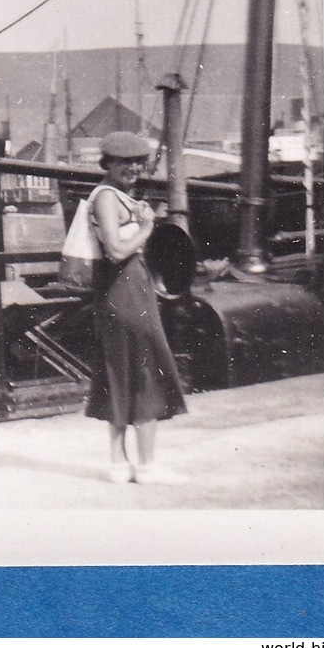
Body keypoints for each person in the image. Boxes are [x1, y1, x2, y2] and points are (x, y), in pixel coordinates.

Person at [83, 131, 189, 486]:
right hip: (126, 293)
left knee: (120, 372)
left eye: (137, 162)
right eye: (123, 162)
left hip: (123, 292)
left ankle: (119, 465)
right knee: (147, 373)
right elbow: (115, 249)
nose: (132, 168)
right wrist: (146, 228)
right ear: (108, 163)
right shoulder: (107, 197)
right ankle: (146, 466)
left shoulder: (113, 196)